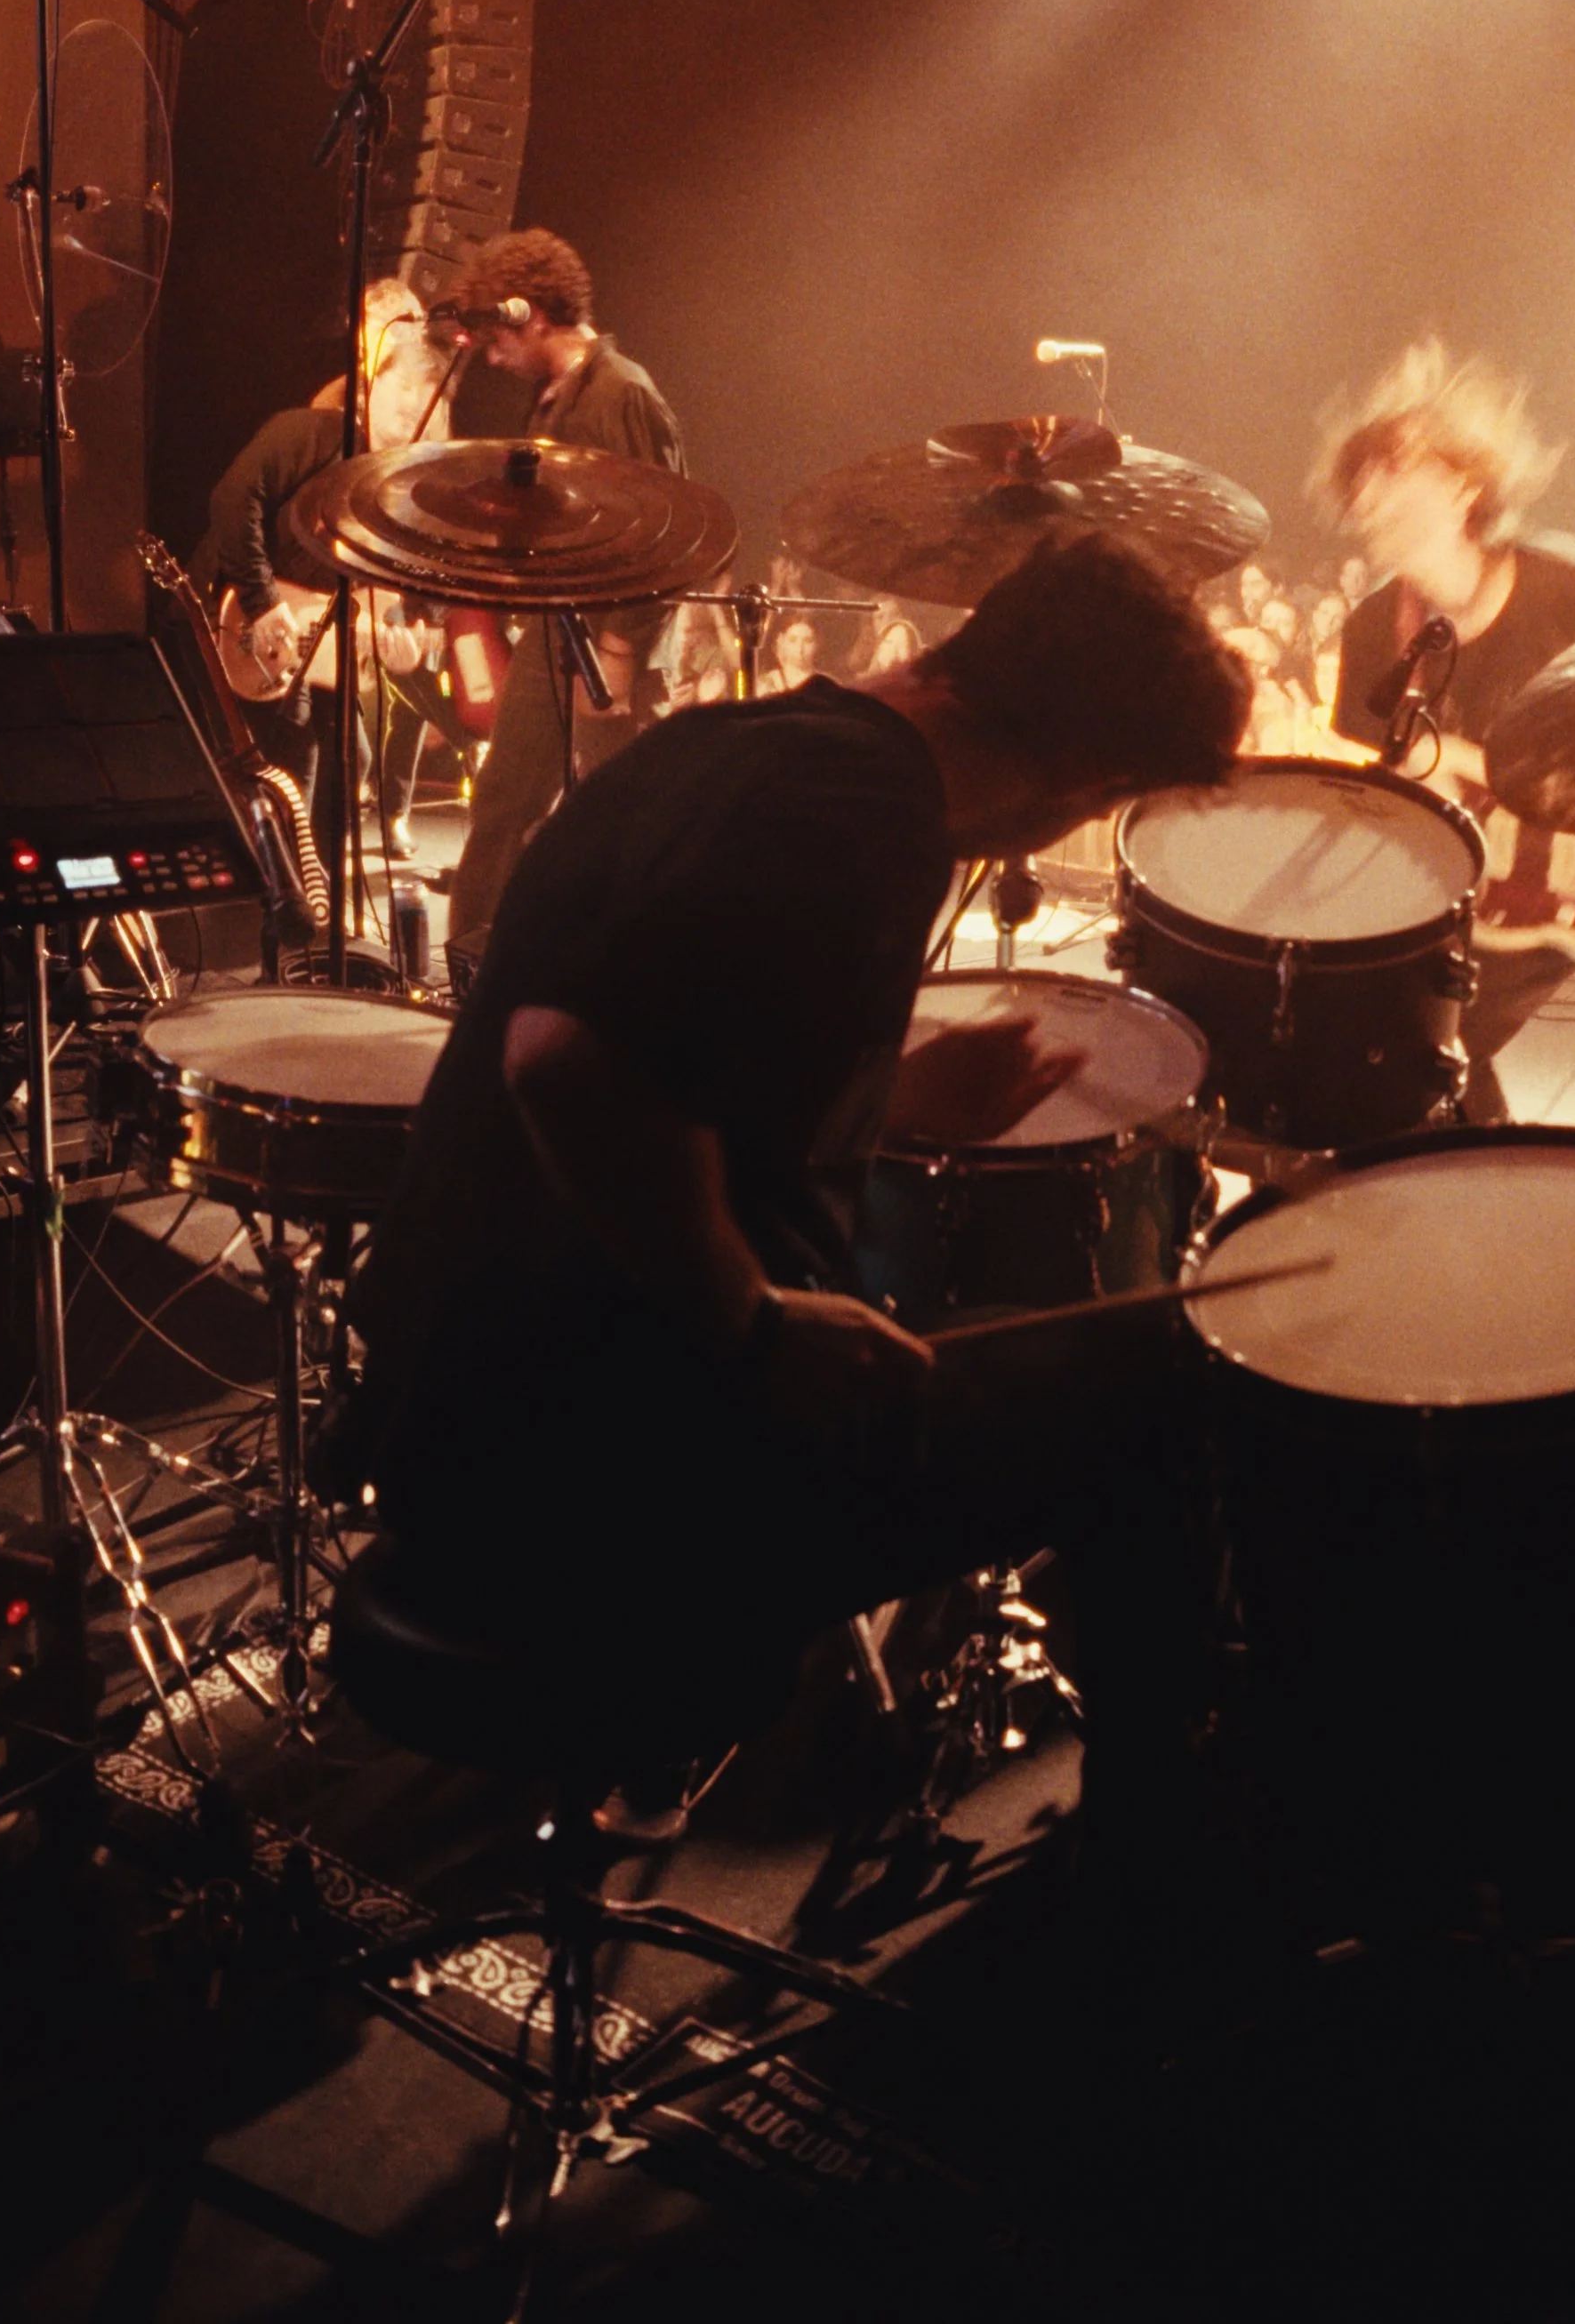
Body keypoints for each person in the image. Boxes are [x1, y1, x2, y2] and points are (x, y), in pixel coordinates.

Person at [349, 530, 1251, 1831]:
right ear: (1090, 773)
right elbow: (564, 1061)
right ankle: (1157, 1862)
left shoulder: (717, 748)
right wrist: (752, 1316)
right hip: (601, 1478)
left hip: (447, 1413)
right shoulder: (863, 821)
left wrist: (883, 1104)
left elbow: (667, 1055)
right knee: (1157, 1386)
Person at [1311, 341, 1575, 1121]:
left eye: (1396, 471)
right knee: (1382, 1039)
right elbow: (1391, 795)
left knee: (1415, 1040)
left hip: (1572, 884)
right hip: (1459, 889)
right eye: (1362, 479)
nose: (1370, 496)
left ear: (1464, 483)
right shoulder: (1370, 633)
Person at [442, 228, 684, 968]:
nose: (489, 354)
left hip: (614, 645)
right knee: (501, 809)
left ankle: (618, 986)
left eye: (495, 337)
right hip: (554, 635)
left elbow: (669, 533)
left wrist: (617, 651)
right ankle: (466, 979)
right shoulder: (549, 401)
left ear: (533, 317)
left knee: (615, 830)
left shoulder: (621, 392)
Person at [193, 279, 443, 835]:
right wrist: (262, 602)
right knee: (298, 765)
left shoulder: (401, 478)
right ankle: (291, 904)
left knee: (348, 757)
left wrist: (408, 643)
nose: (414, 407)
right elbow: (233, 499)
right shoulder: (314, 430)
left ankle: (317, 901)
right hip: (243, 621)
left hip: (318, 636)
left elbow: (400, 586)